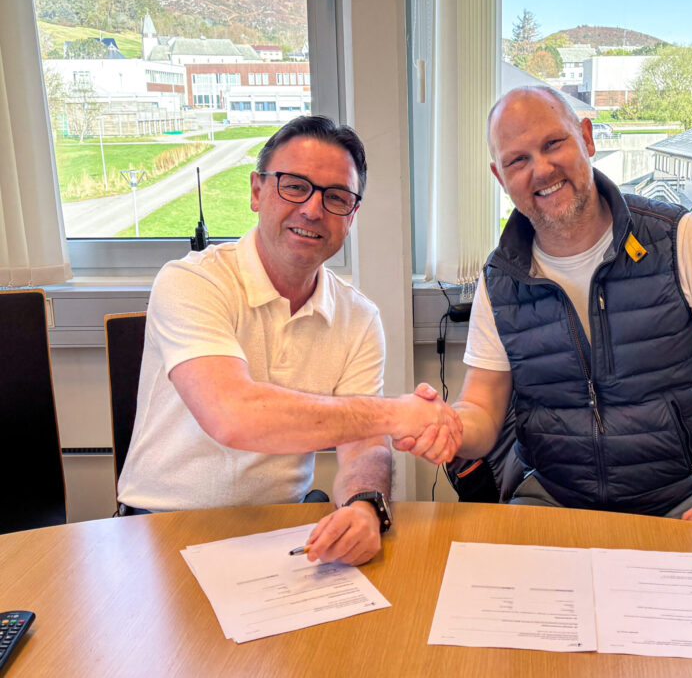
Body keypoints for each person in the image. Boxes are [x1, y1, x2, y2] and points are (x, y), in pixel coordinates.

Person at [400, 86, 692, 530]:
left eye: (553, 144)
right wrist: (450, 426)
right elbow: (482, 410)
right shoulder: (501, 278)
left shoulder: (677, 239)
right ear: (500, 178)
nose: (541, 169)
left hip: (683, 500)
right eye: (517, 160)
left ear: (586, 138)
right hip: (553, 500)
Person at [117, 116, 460, 564]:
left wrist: (364, 506)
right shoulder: (191, 281)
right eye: (294, 186)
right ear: (256, 191)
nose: (313, 210)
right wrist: (398, 414)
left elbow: (362, 446)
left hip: (282, 536)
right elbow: (232, 415)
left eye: (336, 197)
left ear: (352, 216)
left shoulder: (359, 317)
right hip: (160, 528)